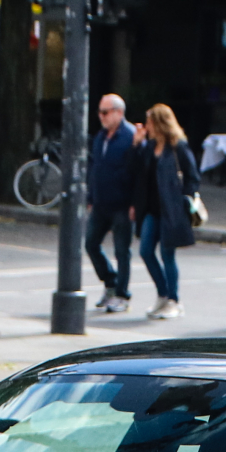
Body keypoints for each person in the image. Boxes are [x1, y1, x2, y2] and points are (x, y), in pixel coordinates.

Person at [131, 103, 200, 321]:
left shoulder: (177, 146)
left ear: (159, 123)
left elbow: (192, 176)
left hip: (171, 209)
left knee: (167, 254)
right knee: (145, 250)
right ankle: (163, 293)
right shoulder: (149, 147)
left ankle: (174, 300)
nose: (147, 125)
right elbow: (137, 173)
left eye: (150, 121)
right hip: (151, 208)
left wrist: (184, 199)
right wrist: (137, 144)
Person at [86, 93, 138, 313]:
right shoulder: (101, 137)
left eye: (105, 112)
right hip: (101, 203)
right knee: (90, 243)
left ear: (119, 112)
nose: (101, 117)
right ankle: (110, 281)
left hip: (122, 203)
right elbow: (95, 167)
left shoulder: (131, 136)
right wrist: (90, 197)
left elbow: (137, 172)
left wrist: (135, 203)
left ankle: (121, 293)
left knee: (121, 250)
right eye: (100, 112)